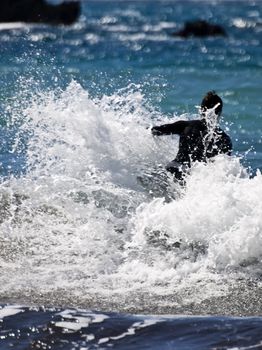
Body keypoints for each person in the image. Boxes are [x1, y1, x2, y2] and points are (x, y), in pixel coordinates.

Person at [151, 91, 232, 182]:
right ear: (220, 112)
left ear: (201, 109)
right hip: (193, 179)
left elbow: (155, 131)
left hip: (173, 170)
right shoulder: (224, 139)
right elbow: (223, 168)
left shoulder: (186, 126)